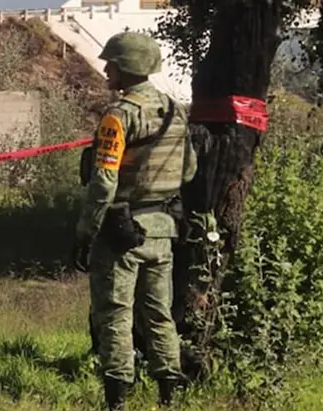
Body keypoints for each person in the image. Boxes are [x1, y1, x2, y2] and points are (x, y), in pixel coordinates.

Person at [73, 31, 196, 409]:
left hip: (120, 233)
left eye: (111, 63)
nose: (106, 70)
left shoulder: (119, 115)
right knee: (159, 315)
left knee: (115, 314)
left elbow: (103, 182)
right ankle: (168, 395)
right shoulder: (175, 110)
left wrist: (86, 230)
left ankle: (117, 400)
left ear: (127, 67)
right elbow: (188, 170)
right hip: (162, 229)